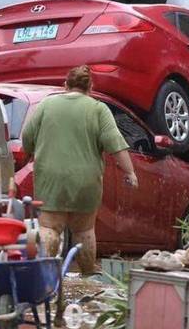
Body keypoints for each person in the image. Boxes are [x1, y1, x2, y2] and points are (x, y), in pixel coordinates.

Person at [20, 65, 137, 274]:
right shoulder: (98, 109)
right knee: (84, 230)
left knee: (49, 228)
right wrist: (130, 172)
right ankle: (87, 274)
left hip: (50, 178)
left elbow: (27, 137)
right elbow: (115, 143)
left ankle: (45, 276)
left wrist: (29, 152)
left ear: (65, 85)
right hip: (86, 180)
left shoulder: (46, 104)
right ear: (90, 88)